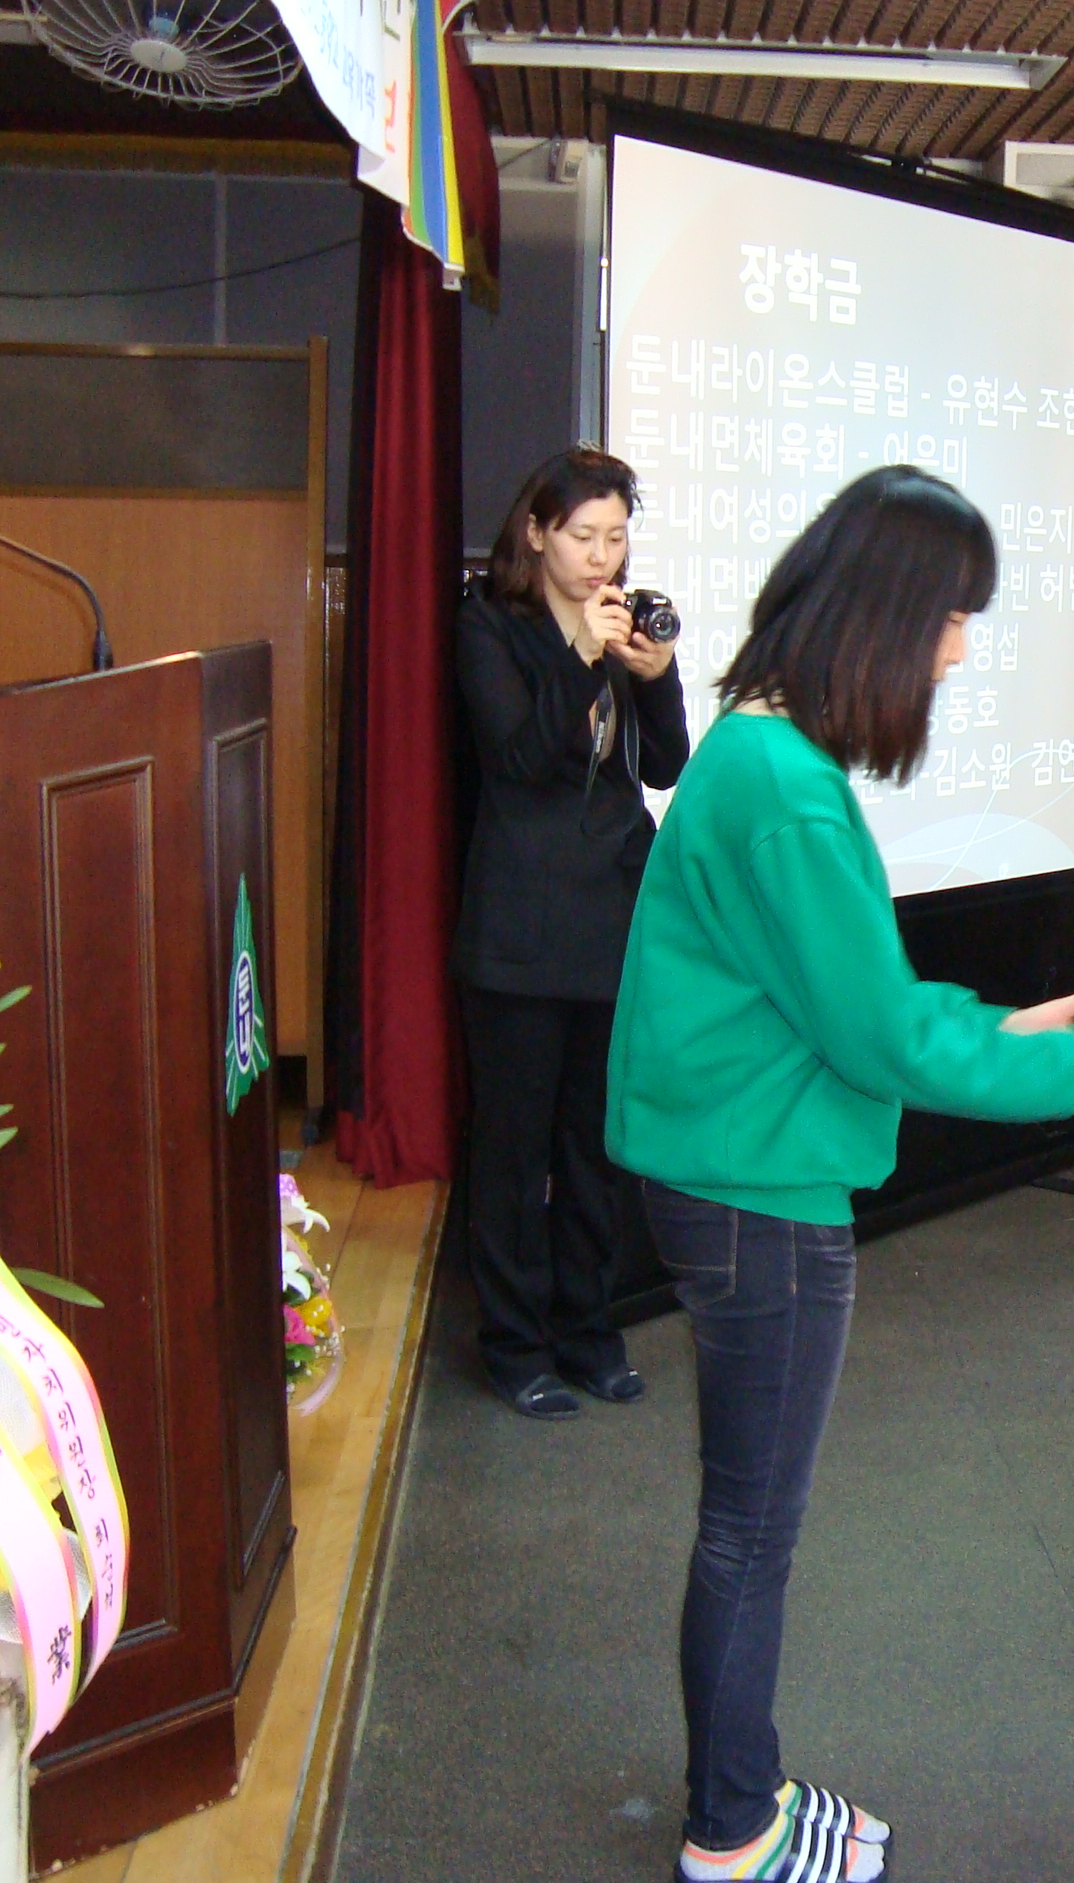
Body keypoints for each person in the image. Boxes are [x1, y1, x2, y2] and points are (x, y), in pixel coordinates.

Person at [606, 466, 1074, 1883]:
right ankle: (731, 1827)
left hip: (738, 1169)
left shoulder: (756, 753)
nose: (956, 654)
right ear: (885, 618)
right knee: (751, 1531)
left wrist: (1012, 1036)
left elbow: (848, 1000)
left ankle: (742, 1788)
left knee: (748, 1524)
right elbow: (880, 1035)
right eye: (952, 620)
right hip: (758, 1196)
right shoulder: (784, 789)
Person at [452, 446, 690, 1420]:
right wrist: (579, 654)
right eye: (583, 536)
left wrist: (656, 676)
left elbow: (665, 765)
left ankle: (590, 1333)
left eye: (617, 537)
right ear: (537, 533)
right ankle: (515, 1347)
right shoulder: (489, 626)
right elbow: (519, 759)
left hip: (611, 923)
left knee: (596, 1150)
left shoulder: (621, 623)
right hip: (518, 932)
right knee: (514, 1156)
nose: (602, 558)